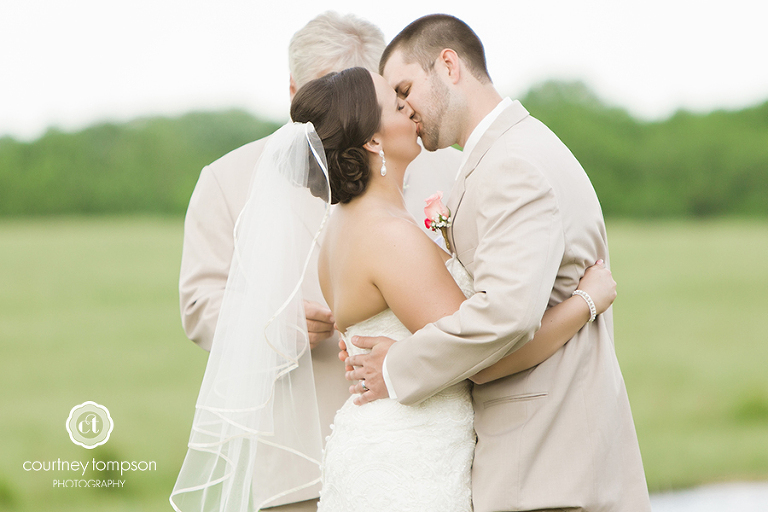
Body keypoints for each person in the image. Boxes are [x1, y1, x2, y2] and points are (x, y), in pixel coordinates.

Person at [344, 14, 652, 512]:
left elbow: (506, 314)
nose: (404, 109)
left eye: (405, 90)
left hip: (547, 465)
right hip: (545, 462)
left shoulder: (512, 164)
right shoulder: (506, 152)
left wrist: (398, 365)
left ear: (448, 66)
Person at [290, 67, 618, 511]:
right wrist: (586, 301)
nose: (410, 109)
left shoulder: (340, 228)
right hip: (411, 459)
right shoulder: (388, 235)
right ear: (372, 141)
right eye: (396, 104)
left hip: (375, 443)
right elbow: (488, 353)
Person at [175, 12, 459, 512]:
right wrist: (276, 324)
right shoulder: (227, 179)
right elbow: (200, 305)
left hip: (431, 445)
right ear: (294, 92)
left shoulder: (445, 162)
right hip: (296, 460)